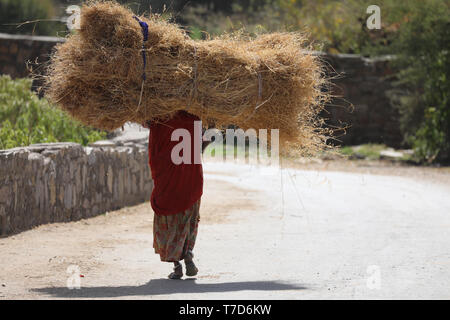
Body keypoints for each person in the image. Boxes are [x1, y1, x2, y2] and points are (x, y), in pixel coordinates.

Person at [143, 111, 210, 279]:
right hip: (191, 179)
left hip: (168, 182)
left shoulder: (160, 121)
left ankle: (177, 264)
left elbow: (154, 150)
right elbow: (204, 139)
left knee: (171, 219)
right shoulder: (194, 119)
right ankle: (187, 252)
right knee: (188, 218)